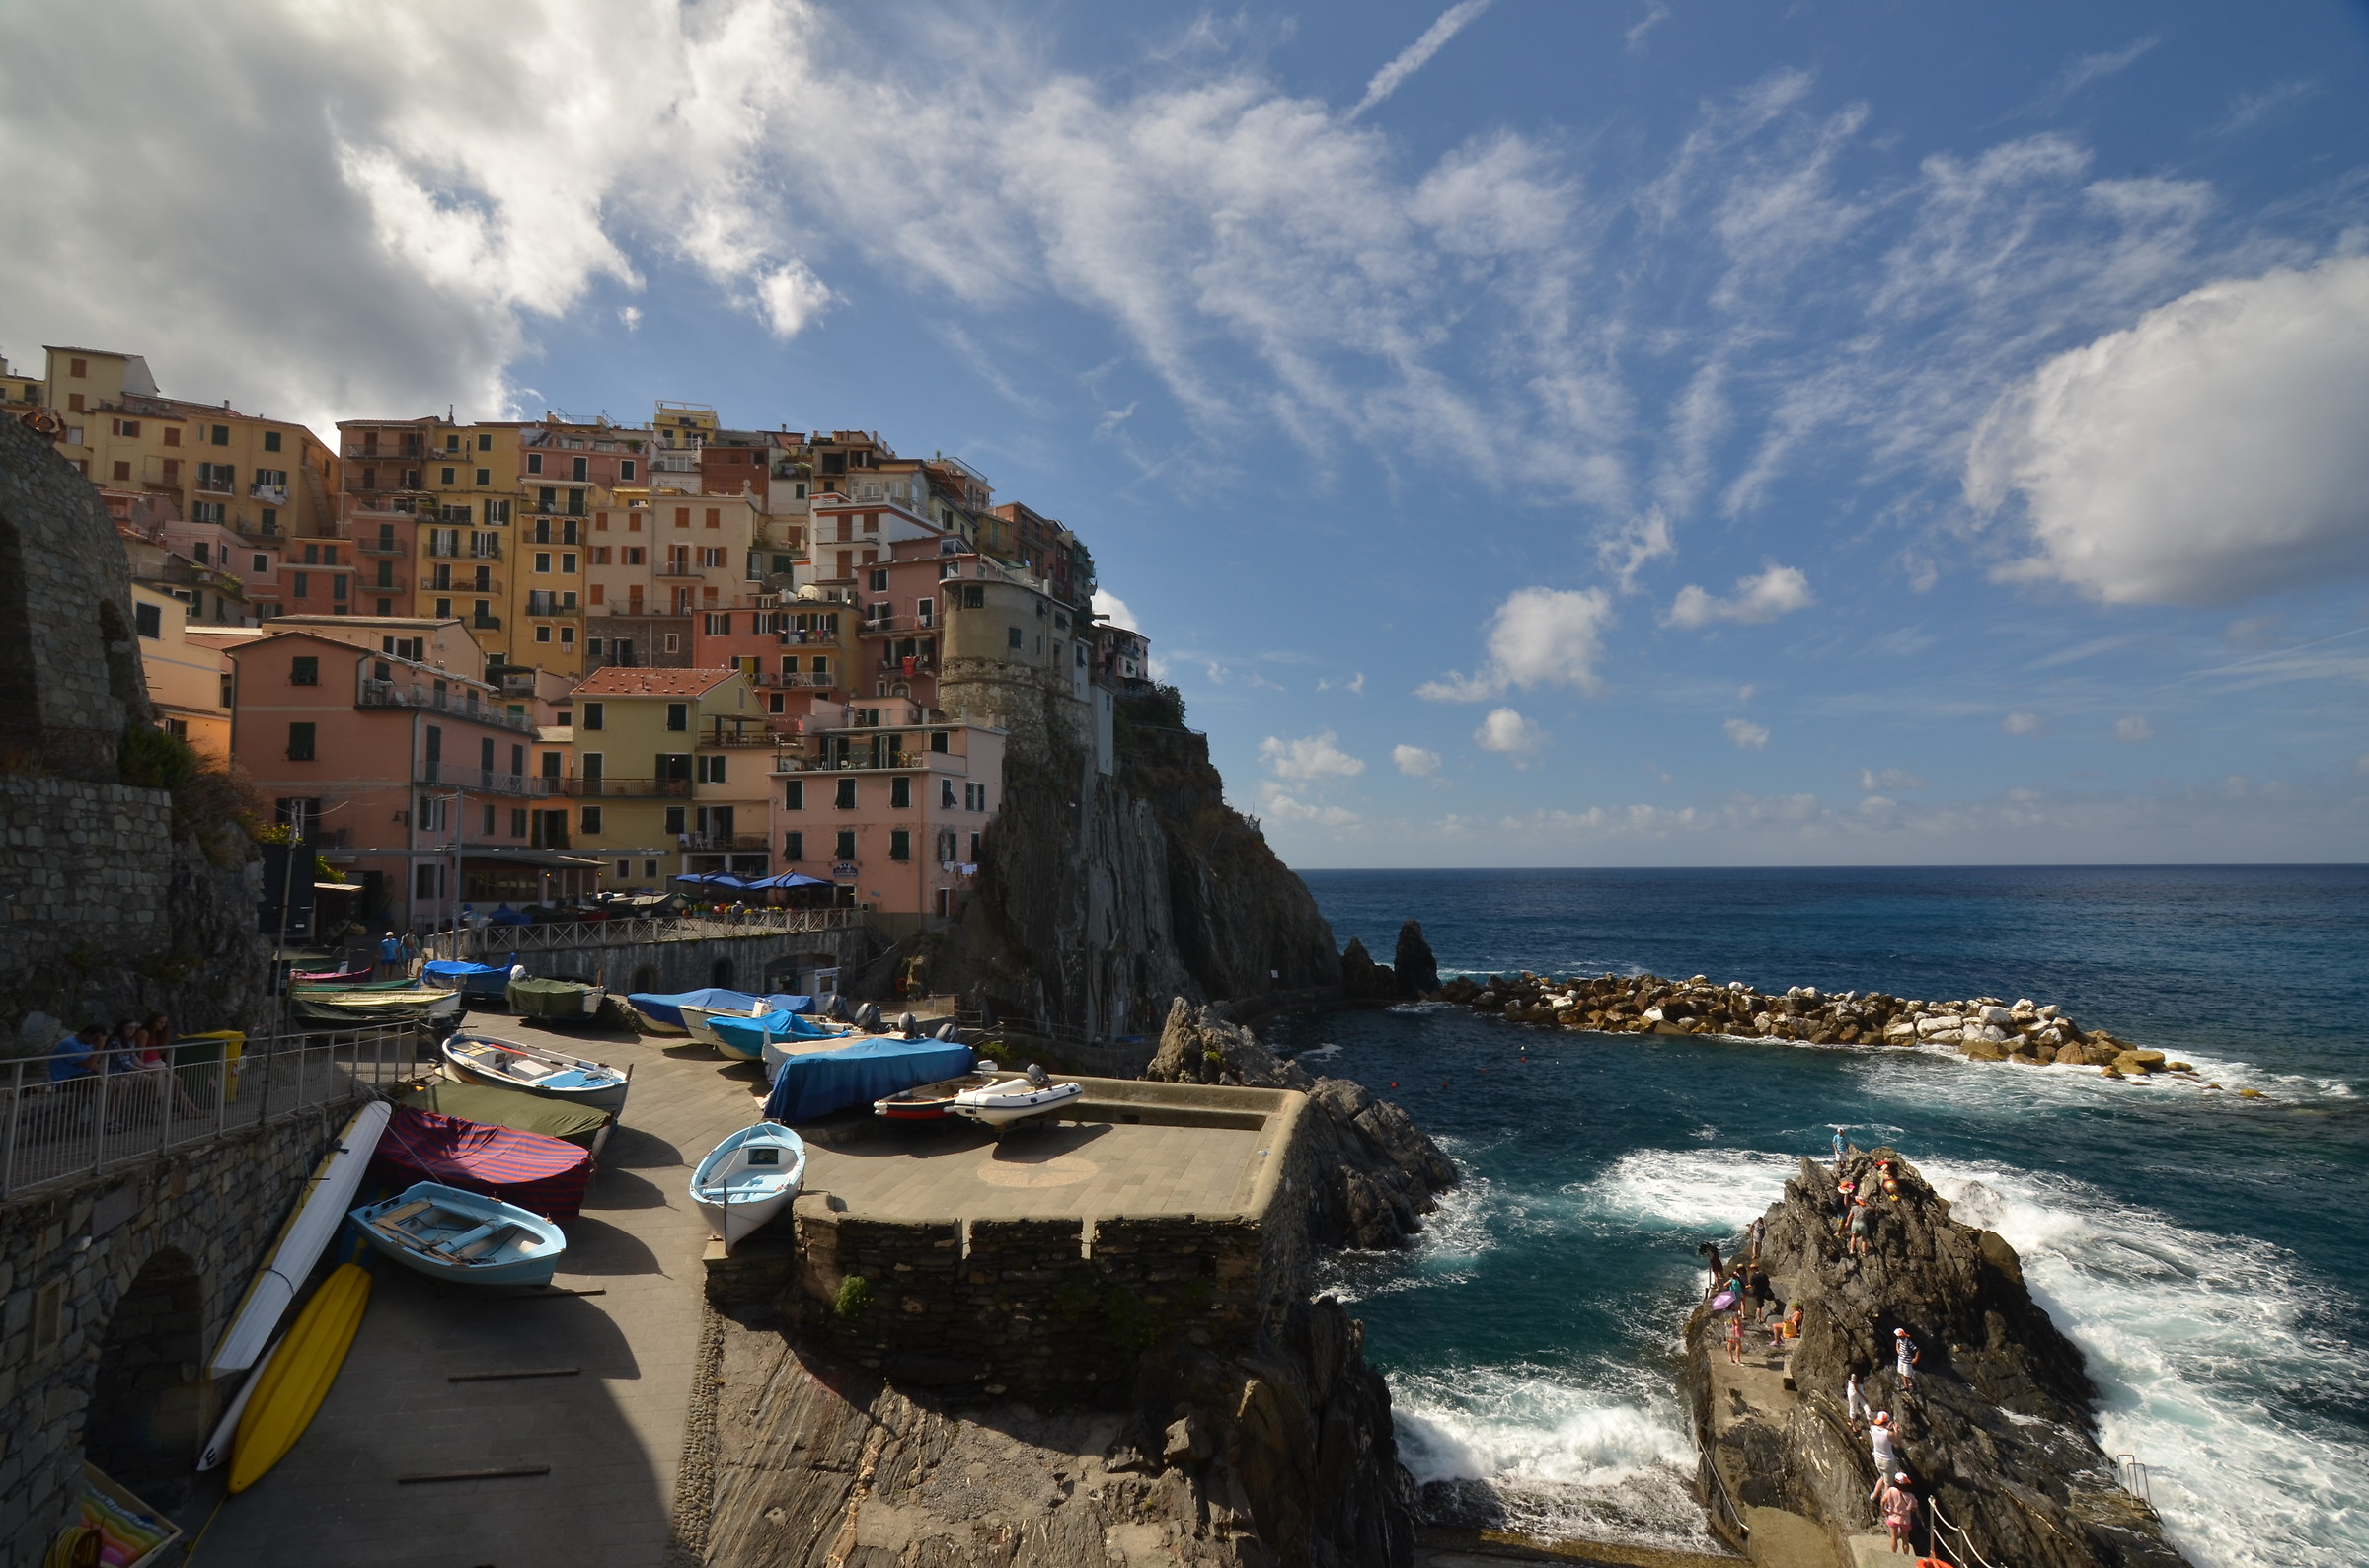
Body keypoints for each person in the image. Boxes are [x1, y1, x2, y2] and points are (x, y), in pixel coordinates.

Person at [1877, 1472, 1918, 1554]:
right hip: (1905, 1519)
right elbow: (1915, 1507)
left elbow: (1883, 1501)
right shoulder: (1910, 1496)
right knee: (1905, 1541)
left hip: (1893, 1517)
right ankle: (1905, 1555)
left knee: (1894, 1538)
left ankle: (1894, 1554)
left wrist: (1884, 1509)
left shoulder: (1891, 1490)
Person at [1869, 1411, 1898, 1477]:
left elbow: (1880, 1431)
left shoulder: (1872, 1428)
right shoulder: (1889, 1434)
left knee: (1882, 1477)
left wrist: (1887, 1428)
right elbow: (1898, 1443)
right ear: (1887, 1422)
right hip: (1887, 1461)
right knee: (1888, 1482)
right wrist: (1896, 1431)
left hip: (1877, 1458)